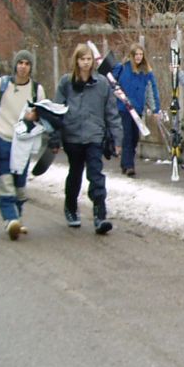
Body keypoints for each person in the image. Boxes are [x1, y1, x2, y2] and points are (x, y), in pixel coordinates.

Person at [0, 51, 45, 240]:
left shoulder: (36, 90)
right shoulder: (1, 85)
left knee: (20, 187)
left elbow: (43, 118)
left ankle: (16, 217)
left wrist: (35, 117)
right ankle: (10, 220)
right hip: (1, 140)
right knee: (5, 184)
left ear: (31, 67)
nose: (23, 66)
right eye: (20, 63)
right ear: (15, 65)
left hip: (21, 144)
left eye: (27, 63)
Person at [56, 43, 120, 235]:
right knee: (75, 173)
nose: (85, 63)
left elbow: (112, 113)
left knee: (96, 174)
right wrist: (55, 138)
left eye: (88, 59)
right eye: (82, 59)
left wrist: (117, 139)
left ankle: (100, 215)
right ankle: (71, 207)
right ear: (76, 60)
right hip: (72, 136)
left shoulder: (101, 84)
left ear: (93, 61)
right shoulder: (66, 83)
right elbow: (56, 110)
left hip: (94, 136)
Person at [112, 44, 160, 177]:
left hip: (138, 109)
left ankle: (125, 162)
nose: (139, 57)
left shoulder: (146, 72)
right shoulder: (122, 68)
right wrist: (115, 93)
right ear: (131, 56)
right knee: (127, 136)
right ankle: (129, 166)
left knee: (134, 137)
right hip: (124, 108)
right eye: (136, 54)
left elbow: (151, 90)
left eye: (141, 54)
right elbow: (110, 83)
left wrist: (155, 109)